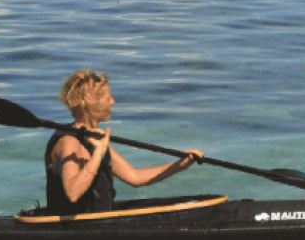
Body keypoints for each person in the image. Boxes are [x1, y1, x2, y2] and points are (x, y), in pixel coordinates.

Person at [45, 70, 202, 214]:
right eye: (108, 98)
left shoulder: (95, 138)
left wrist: (178, 166)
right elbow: (73, 193)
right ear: (91, 103)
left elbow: (134, 177)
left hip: (100, 225)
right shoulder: (69, 143)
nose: (112, 102)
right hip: (75, 232)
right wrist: (98, 154)